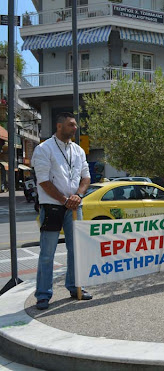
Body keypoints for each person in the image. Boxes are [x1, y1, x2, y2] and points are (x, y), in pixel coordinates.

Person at [32, 113, 92, 310]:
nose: (75, 128)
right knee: (47, 253)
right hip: (52, 207)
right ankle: (43, 295)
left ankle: (76, 288)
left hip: (75, 207)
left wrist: (78, 196)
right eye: (71, 125)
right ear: (59, 126)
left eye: (75, 125)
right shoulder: (44, 149)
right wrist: (64, 200)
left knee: (76, 250)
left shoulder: (79, 150)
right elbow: (43, 181)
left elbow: (86, 178)